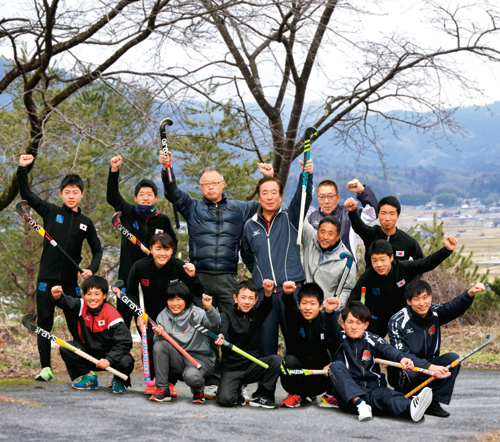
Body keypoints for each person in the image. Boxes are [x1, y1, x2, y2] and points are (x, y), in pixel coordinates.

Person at [160, 152, 272, 399]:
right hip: (198, 276)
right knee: (205, 328)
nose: (210, 187)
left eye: (215, 183)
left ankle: (235, 377)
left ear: (223, 184)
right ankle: (211, 378)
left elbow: (268, 203)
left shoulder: (240, 209)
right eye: (205, 184)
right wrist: (167, 168)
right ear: (201, 187)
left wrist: (267, 179)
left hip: (227, 276)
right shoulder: (192, 207)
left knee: (235, 327)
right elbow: (171, 192)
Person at [17, 154, 103, 382]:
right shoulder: (51, 212)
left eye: (76, 192)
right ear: (61, 194)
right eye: (67, 192)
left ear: (81, 194)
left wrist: (91, 270)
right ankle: (46, 368)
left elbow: (98, 250)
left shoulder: (86, 222)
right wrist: (22, 168)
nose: (71, 196)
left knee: (77, 326)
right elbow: (26, 194)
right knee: (45, 323)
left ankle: (84, 368)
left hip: (69, 283)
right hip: (46, 279)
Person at [241, 159, 313, 355]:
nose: (270, 197)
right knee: (265, 348)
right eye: (265, 193)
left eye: (274, 193)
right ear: (259, 197)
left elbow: (303, 197)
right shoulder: (250, 225)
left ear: (281, 197)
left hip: (292, 291)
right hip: (265, 295)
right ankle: (266, 386)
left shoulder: (291, 217)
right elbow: (247, 255)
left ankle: (296, 384)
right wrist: (259, 273)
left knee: (296, 343)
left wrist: (306, 175)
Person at [324, 299, 433, 422]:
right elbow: (330, 331)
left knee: (390, 396)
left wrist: (402, 358)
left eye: (359, 323)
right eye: (350, 322)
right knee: (335, 366)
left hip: (374, 390)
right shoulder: (338, 340)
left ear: (366, 325)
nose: (354, 327)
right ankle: (360, 404)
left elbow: (388, 349)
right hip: (349, 398)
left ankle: (411, 407)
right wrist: (329, 312)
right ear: (343, 324)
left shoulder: (372, 339)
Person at [388, 279, 485, 418]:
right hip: (405, 367)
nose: (422, 303)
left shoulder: (434, 312)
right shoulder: (397, 321)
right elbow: (403, 354)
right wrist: (428, 366)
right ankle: (408, 397)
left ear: (430, 297)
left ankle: (432, 402)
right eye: (416, 299)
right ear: (408, 301)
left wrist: (469, 294)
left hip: (429, 363)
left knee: (453, 359)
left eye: (425, 297)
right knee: (410, 371)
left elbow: (452, 307)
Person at [127, 233, 204, 393]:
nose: (162, 253)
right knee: (149, 341)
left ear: (172, 251)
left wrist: (192, 276)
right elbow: (131, 293)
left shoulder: (178, 266)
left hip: (173, 315)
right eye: (158, 249)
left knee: (171, 344)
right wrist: (138, 314)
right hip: (147, 314)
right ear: (151, 249)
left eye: (167, 249)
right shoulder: (140, 267)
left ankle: (170, 382)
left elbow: (197, 291)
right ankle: (154, 382)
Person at [106, 155, 177, 328]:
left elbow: (172, 248)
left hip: (152, 282)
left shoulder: (162, 220)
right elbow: (112, 197)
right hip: (127, 280)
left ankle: (152, 355)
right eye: (141, 194)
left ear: (156, 198)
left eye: (149, 195)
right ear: (136, 198)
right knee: (121, 325)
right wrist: (114, 171)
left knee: (149, 328)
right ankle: (122, 355)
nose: (145, 198)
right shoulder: (129, 213)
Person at [348, 236, 457, 337]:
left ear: (391, 257)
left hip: (402, 316)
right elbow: (353, 298)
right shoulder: (367, 276)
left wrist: (446, 250)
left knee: (407, 346)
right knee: (368, 342)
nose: (379, 265)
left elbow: (426, 263)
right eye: (374, 261)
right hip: (378, 318)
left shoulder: (402, 267)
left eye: (382, 259)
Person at [50, 276, 134, 393]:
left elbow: (124, 342)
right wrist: (58, 296)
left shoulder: (112, 314)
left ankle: (118, 380)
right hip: (89, 353)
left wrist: (109, 359)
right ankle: (89, 377)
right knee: (66, 347)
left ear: (104, 296)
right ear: (84, 295)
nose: (92, 298)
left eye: (96, 294)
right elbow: (68, 302)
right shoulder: (81, 305)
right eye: (89, 294)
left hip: (110, 356)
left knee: (127, 360)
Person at [150, 281, 221, 404]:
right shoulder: (162, 316)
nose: (175, 304)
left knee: (192, 377)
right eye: (171, 300)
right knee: (159, 344)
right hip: (178, 358)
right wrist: (158, 334)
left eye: (178, 299)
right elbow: (159, 347)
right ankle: (162, 389)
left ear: (186, 299)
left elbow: (214, 324)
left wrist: (209, 308)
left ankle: (198, 390)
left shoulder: (197, 313)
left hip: (199, 359)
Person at [216, 279, 282, 409]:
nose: (247, 302)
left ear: (255, 300)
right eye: (243, 297)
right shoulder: (227, 315)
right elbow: (223, 328)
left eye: (251, 298)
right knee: (226, 400)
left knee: (276, 360)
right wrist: (222, 336)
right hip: (232, 368)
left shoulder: (256, 314)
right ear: (235, 298)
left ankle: (261, 394)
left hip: (252, 365)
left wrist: (268, 292)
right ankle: (238, 391)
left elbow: (267, 306)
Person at [279, 282, 335, 408]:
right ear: (299, 305)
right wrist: (288, 294)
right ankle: (294, 395)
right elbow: (289, 307)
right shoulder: (294, 318)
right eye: (304, 303)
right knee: (289, 360)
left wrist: (332, 364)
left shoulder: (326, 322)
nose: (308, 307)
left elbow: (339, 345)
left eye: (312, 303)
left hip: (319, 378)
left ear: (321, 306)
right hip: (298, 377)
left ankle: (331, 396)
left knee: (338, 362)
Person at [345, 195, 423, 268]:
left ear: (398, 216)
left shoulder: (407, 241)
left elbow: (421, 264)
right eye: (383, 213)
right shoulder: (371, 234)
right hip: (371, 282)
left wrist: (411, 282)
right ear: (378, 214)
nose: (387, 218)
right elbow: (358, 226)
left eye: (392, 214)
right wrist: (352, 212)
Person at [308, 178, 378, 257]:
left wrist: (362, 191)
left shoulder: (349, 214)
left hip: (346, 266)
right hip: (319, 267)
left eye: (330, 196)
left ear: (338, 197)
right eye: (322, 197)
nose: (326, 201)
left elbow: (372, 214)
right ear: (318, 198)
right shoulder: (312, 218)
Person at [302, 215, 355, 307]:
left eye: (330, 234)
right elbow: (300, 217)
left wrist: (336, 305)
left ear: (338, 236)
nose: (325, 237)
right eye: (322, 232)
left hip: (325, 309)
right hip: (303, 305)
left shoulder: (346, 260)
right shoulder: (310, 238)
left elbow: (347, 290)